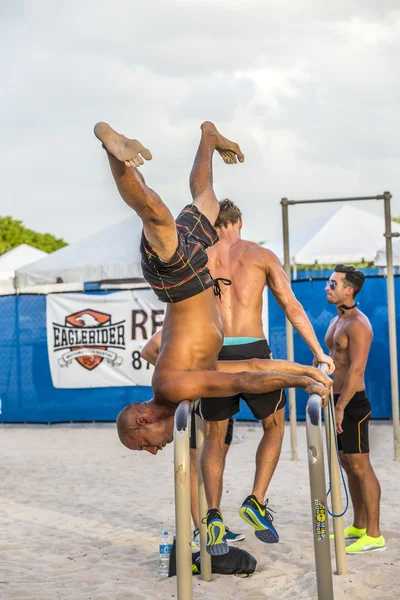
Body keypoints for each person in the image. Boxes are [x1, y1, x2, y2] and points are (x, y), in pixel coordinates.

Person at [94, 120, 331, 556]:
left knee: (154, 213)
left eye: (143, 445)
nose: (152, 452)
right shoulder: (175, 391)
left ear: (144, 420)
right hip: (192, 277)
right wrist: (305, 371)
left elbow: (241, 382)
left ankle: (112, 148)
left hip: (181, 280)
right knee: (204, 197)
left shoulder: (171, 387)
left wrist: (304, 376)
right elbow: (249, 370)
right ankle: (207, 136)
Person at [142, 199, 335, 550]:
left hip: (213, 356)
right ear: (240, 222)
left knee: (215, 438)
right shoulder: (260, 255)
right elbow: (291, 305)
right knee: (274, 427)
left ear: (214, 224)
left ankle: (213, 515)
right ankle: (256, 500)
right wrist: (319, 353)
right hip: (254, 352)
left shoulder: (199, 256)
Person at [325, 264, 386, 553]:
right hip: (336, 400)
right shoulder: (337, 320)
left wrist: (340, 408)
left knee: (361, 466)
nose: (328, 287)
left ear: (349, 290)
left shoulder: (359, 324)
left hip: (352, 405)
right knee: (347, 464)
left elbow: (357, 371)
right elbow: (335, 358)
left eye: (333, 283)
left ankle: (375, 534)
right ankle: (359, 525)